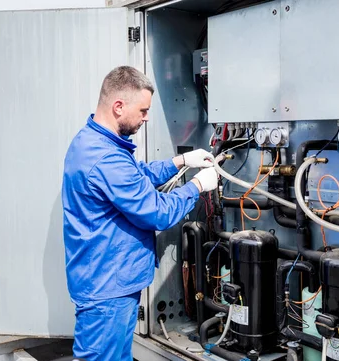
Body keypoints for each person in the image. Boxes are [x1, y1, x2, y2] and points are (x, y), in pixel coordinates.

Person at [61, 66, 219, 361]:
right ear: (118, 106)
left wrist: (179, 161)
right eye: (143, 110)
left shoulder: (95, 142)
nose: (146, 118)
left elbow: (137, 175)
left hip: (107, 280)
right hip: (107, 287)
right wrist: (197, 186)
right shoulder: (105, 157)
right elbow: (157, 213)